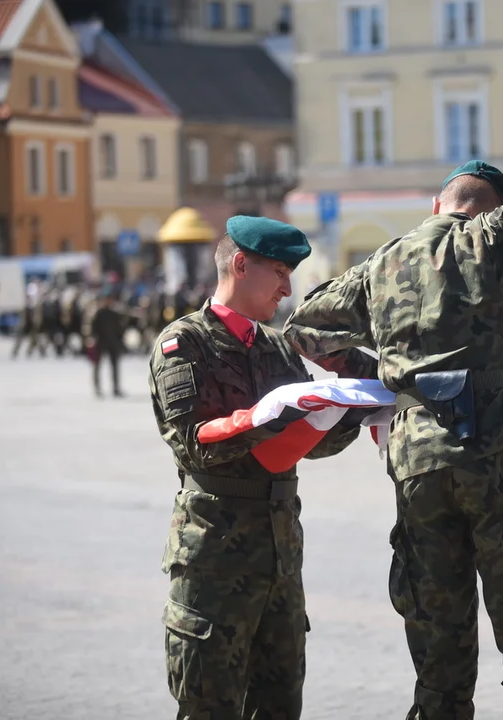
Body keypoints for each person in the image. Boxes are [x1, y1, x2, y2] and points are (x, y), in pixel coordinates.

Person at [283, 31, 503, 720]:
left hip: (417, 459)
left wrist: (387, 378)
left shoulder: (386, 262)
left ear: (439, 205)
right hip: (497, 454)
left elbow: (305, 325)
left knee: (439, 643)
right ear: (491, 205)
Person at [148, 216, 361, 720]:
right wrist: (265, 416)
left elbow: (312, 445)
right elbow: (194, 444)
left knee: (280, 706)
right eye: (280, 272)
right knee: (209, 706)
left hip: (279, 560)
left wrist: (346, 410)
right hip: (214, 560)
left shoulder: (277, 346)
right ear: (241, 265)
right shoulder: (184, 343)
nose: (288, 287)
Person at [84, 288, 127, 398]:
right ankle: (97, 388)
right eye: (106, 299)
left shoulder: (114, 312)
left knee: (114, 366)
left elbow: (119, 327)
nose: (108, 301)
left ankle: (116, 388)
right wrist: (91, 338)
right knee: (97, 366)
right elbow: (89, 327)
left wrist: (120, 340)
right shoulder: (96, 312)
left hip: (112, 341)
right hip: (99, 342)